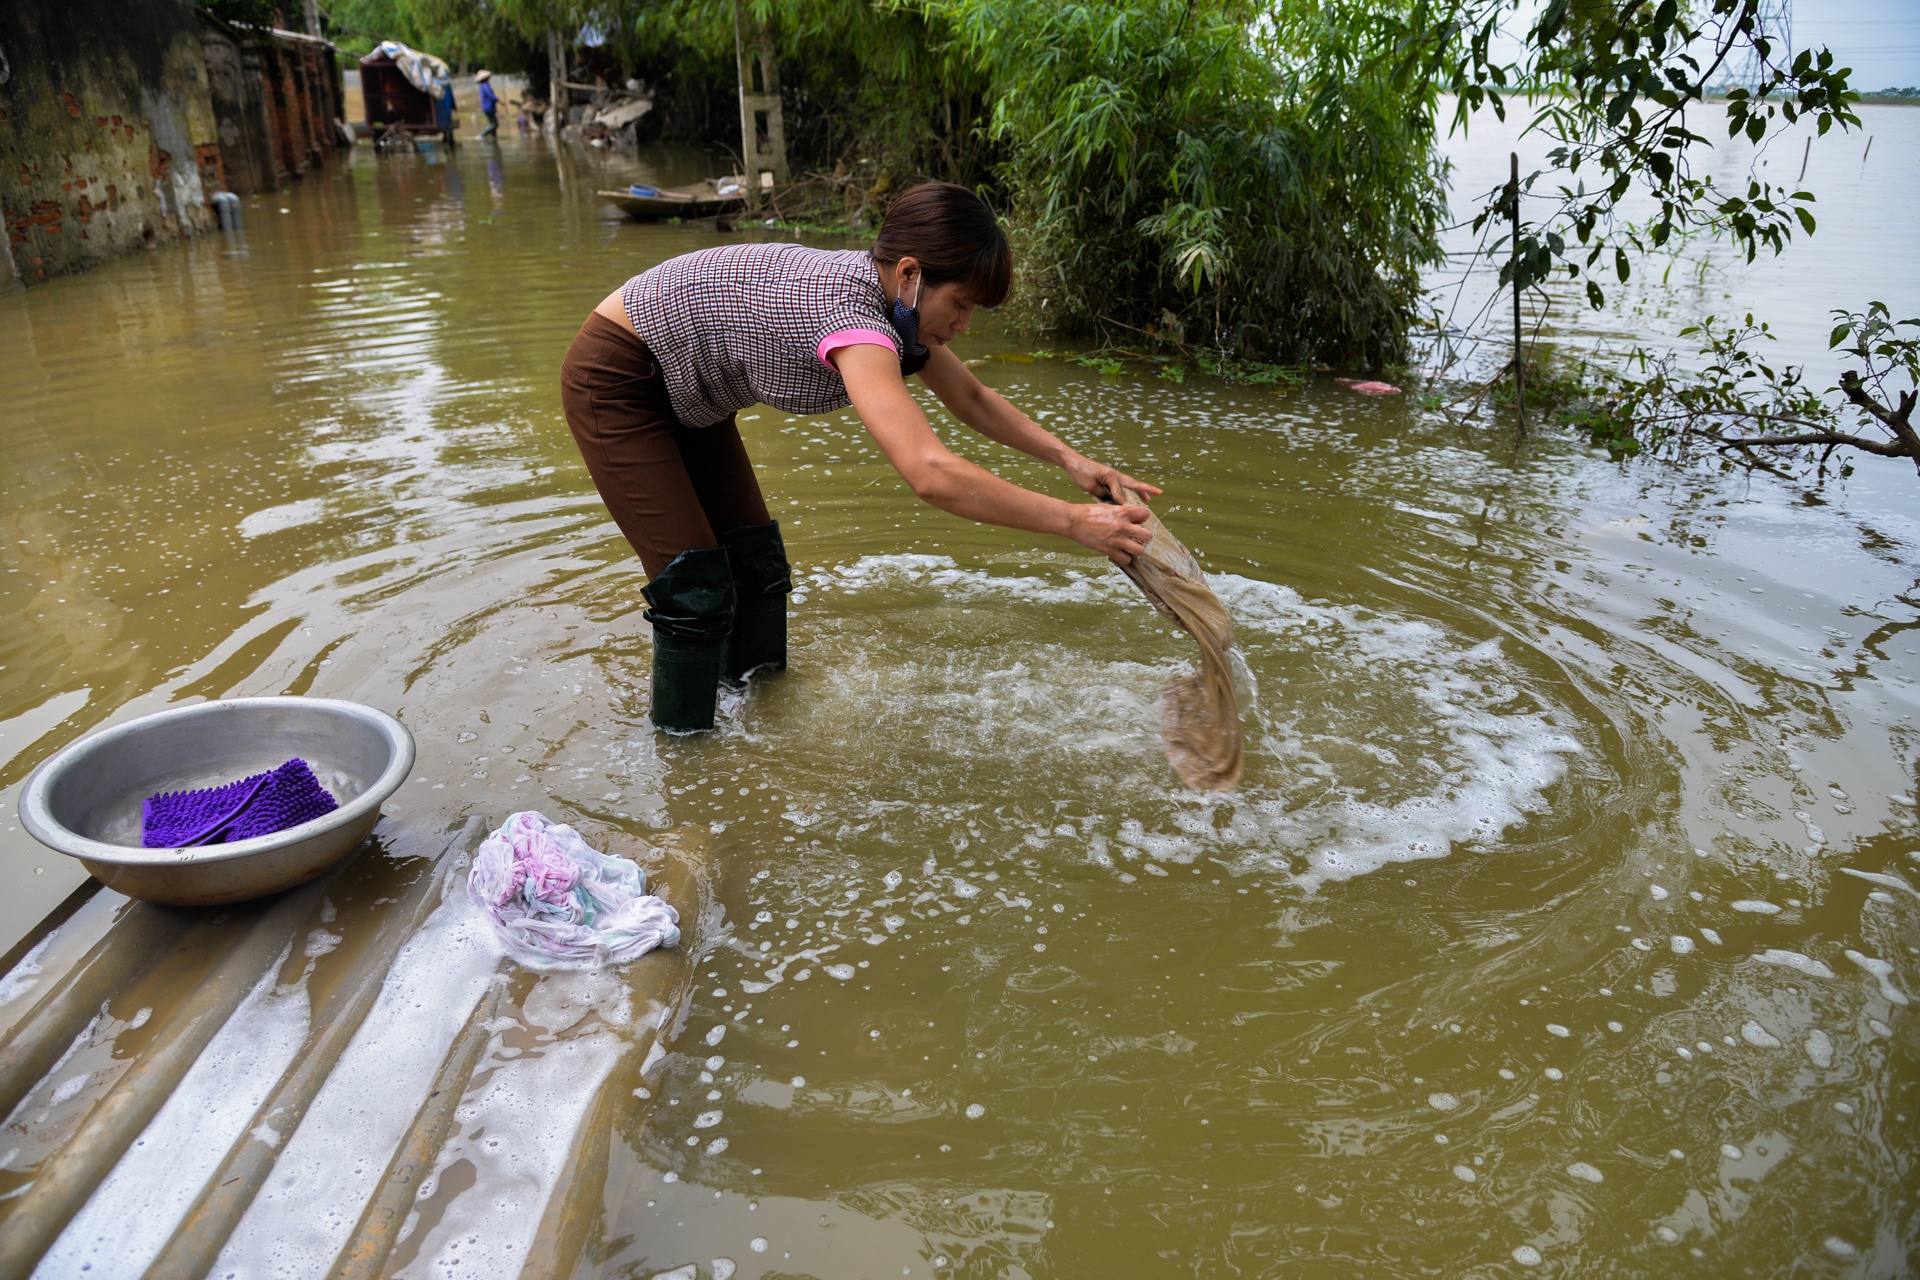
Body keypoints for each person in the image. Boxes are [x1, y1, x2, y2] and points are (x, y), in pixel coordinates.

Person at [559, 181, 1159, 733]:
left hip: (695, 388)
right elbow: (930, 472)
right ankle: (685, 764)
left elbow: (971, 397)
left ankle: (758, 716)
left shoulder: (898, 309)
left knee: (757, 567)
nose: (966, 324)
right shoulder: (854, 320)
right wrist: (1076, 522)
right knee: (694, 590)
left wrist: (1072, 461)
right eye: (962, 304)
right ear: (911, 274)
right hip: (621, 379)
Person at [476, 69, 499, 138]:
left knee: (492, 123)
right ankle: (482, 134)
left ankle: (493, 138)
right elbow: (491, 96)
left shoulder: (483, 86)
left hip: (487, 107)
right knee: (495, 124)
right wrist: (499, 101)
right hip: (488, 107)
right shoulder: (485, 86)